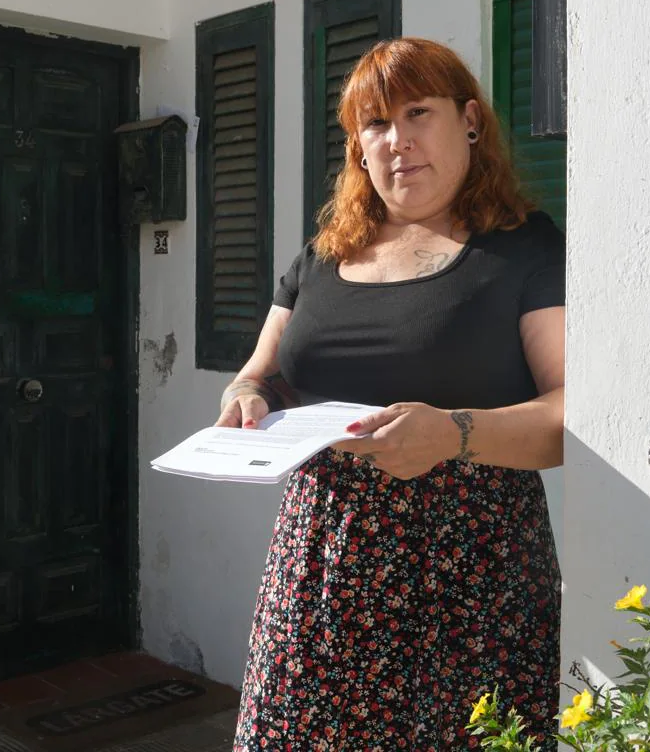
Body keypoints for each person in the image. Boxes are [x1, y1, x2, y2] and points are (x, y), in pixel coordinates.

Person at [223, 37, 564, 750]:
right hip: (321, 563)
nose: (397, 141)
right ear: (357, 144)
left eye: (418, 113)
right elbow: (260, 373)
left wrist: (456, 434)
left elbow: (573, 415)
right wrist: (248, 396)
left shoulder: (524, 248)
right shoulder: (320, 258)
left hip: (472, 575)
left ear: (469, 121)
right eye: (375, 123)